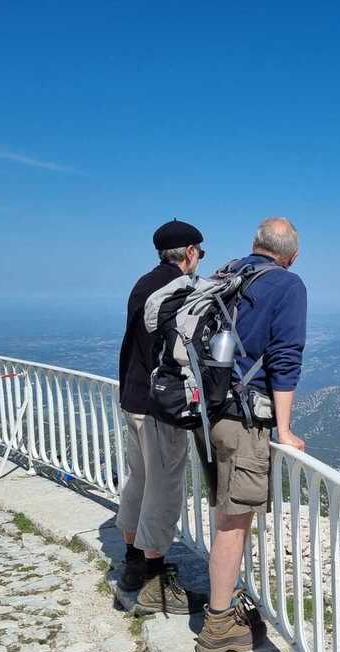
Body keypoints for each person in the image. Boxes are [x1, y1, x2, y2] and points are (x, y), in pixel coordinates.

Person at [194, 217, 307, 652]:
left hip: (210, 411)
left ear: (256, 245)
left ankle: (225, 603)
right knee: (233, 523)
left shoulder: (229, 273)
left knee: (227, 515)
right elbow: (285, 358)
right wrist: (284, 429)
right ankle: (219, 624)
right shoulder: (288, 285)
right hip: (243, 418)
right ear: (291, 256)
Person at [115, 219, 206, 614]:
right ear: (190, 252)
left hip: (133, 397)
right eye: (200, 253)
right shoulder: (180, 290)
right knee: (164, 486)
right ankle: (155, 579)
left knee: (139, 478)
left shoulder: (143, 284)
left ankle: (133, 562)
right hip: (160, 405)